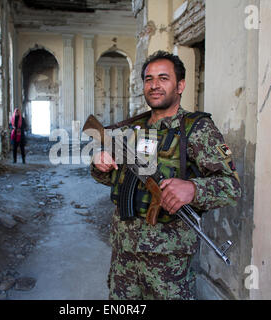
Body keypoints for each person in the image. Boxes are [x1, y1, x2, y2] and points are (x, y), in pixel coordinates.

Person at [90, 51, 242, 300]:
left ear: (180, 85)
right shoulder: (131, 129)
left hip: (169, 262)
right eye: (149, 79)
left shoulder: (197, 130)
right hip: (124, 254)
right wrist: (100, 163)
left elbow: (231, 186)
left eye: (163, 78)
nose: (154, 85)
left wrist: (193, 189)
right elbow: (109, 178)